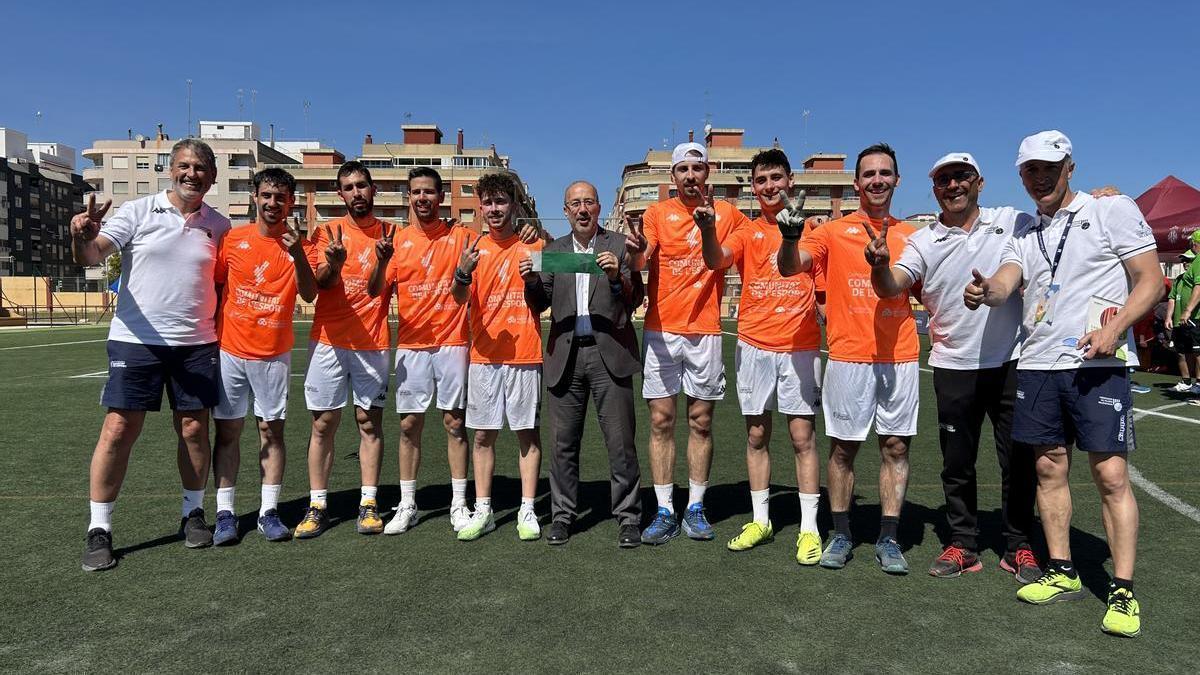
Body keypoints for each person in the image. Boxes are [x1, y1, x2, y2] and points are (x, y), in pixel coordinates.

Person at [964, 130, 1163, 638]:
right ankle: (1063, 570)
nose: (1040, 176)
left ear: (1070, 166)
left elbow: (1151, 279)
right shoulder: (1024, 228)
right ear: (1021, 174)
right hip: (1038, 364)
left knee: (1111, 477)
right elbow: (1010, 278)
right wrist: (989, 292)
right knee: (1049, 469)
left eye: (1050, 166)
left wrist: (1114, 329)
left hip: (1098, 365)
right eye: (1030, 168)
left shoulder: (1110, 210)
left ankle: (1122, 588)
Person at [867, 152, 1040, 581]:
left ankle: (1018, 545)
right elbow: (893, 287)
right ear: (934, 190)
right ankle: (963, 544)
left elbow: (1058, 214)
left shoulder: (1013, 220)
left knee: (1017, 460)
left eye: (962, 177)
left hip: (1010, 361)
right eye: (944, 180)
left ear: (979, 181)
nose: (954, 185)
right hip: (953, 364)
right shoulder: (924, 241)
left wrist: (1100, 199)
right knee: (957, 462)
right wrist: (879, 266)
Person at [73, 139, 232, 571]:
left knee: (195, 431)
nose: (191, 173)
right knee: (120, 428)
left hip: (196, 344)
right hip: (136, 340)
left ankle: (192, 513)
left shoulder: (220, 225)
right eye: (183, 165)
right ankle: (99, 528)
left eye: (200, 167)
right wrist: (81, 237)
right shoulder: (136, 212)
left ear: (212, 176)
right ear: (170, 170)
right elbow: (92, 253)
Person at [778, 143, 919, 574]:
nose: (877, 180)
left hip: (901, 357)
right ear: (856, 183)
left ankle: (889, 539)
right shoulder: (832, 232)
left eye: (885, 173)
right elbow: (789, 266)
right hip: (848, 356)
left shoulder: (915, 234)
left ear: (897, 180)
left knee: (895, 447)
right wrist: (788, 235)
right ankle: (840, 533)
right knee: (843, 450)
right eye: (869, 174)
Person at [695, 149, 824, 563]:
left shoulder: (814, 230)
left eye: (776, 178)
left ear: (790, 181)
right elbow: (716, 260)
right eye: (762, 180)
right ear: (754, 188)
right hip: (753, 344)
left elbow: (822, 291)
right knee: (756, 436)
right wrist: (709, 230)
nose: (770, 186)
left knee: (802, 438)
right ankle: (761, 520)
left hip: (799, 346)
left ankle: (808, 528)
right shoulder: (747, 232)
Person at [627, 141, 750, 545]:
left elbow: (725, 260)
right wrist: (633, 252)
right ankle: (664, 509)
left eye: (697, 169)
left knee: (701, 421)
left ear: (708, 172)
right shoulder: (656, 213)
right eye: (682, 170)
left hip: (705, 332)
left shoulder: (729, 214)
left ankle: (695, 506)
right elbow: (642, 261)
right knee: (661, 420)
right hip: (661, 331)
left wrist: (709, 225)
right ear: (673, 176)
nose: (690, 176)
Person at [523, 181, 644, 547]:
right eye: (574, 203)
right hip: (566, 354)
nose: (582, 209)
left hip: (610, 353)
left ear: (598, 206)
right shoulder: (554, 251)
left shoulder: (620, 246)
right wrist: (529, 280)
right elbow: (539, 302)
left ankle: (628, 517)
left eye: (588, 202)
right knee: (562, 444)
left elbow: (635, 297)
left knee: (621, 443)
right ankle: (562, 516)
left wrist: (615, 277)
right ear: (565, 211)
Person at [210, 168, 317, 545]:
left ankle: (268, 512)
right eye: (267, 195)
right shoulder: (232, 240)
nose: (273, 203)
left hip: (273, 355)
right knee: (228, 432)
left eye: (281, 197)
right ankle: (225, 514)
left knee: (271, 431)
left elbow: (309, 293)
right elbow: (217, 285)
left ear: (291, 203)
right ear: (255, 197)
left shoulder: (298, 245)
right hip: (230, 351)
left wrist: (297, 251)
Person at [294, 161, 397, 539]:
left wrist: (383, 260)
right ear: (341, 194)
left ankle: (368, 503)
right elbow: (319, 284)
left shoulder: (391, 234)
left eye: (362, 186)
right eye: (349, 187)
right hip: (328, 341)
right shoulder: (327, 232)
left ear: (373, 190)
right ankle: (318, 504)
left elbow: (375, 290)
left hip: (372, 344)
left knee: (369, 423)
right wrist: (334, 266)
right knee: (323, 423)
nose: (356, 192)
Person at [367, 167, 473, 534]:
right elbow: (373, 290)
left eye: (429, 192)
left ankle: (460, 504)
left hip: (452, 342)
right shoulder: (396, 240)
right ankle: (408, 503)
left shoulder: (461, 236)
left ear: (440, 197)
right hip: (412, 346)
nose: (422, 198)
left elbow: (498, 247)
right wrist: (380, 261)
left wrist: (529, 233)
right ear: (408, 198)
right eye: (416, 192)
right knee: (409, 424)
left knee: (455, 422)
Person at [451, 172, 549, 541]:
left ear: (514, 206)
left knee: (527, 434)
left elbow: (566, 268)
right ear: (480, 208)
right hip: (485, 359)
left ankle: (527, 510)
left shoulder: (534, 246)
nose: (494, 209)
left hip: (525, 355)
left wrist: (539, 241)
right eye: (488, 203)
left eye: (501, 202)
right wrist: (462, 272)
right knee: (482, 438)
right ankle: (484, 510)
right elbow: (459, 298)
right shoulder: (474, 251)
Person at [1170, 234, 1200, 394]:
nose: (1184, 263)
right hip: (1188, 319)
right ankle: (1189, 382)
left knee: (1197, 351)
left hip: (1195, 317)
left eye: (1192, 242)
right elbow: (1172, 299)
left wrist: (1187, 310)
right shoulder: (1180, 278)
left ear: (1195, 243)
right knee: (1186, 350)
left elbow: (1199, 287)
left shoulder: (1199, 261)